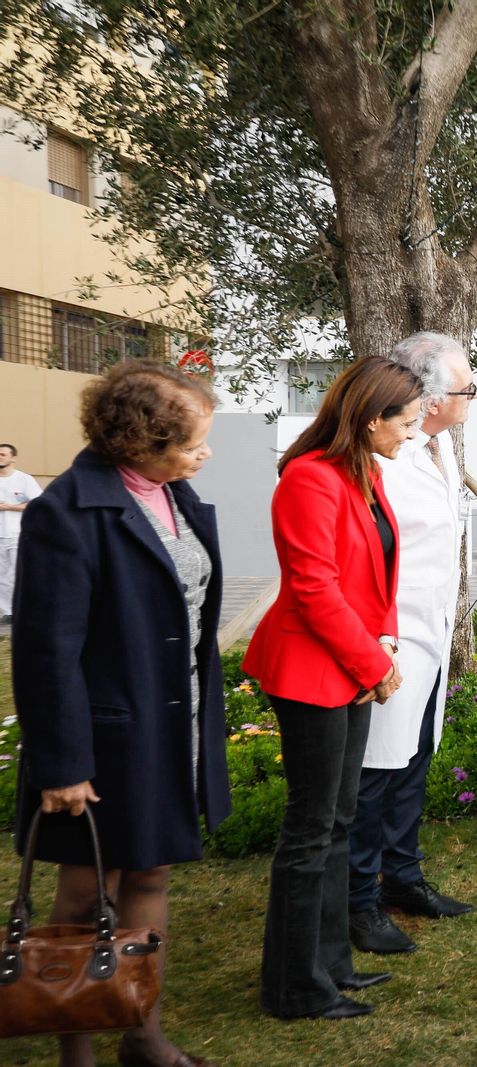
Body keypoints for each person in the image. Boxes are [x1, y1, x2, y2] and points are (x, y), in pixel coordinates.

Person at [11, 362, 230, 1067]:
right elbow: (47, 651)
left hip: (171, 724)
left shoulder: (179, 494)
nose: (205, 453)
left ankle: (143, 1033)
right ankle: (75, 1049)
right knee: (84, 894)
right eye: (193, 441)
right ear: (138, 442)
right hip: (102, 739)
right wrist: (63, 764)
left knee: (151, 878)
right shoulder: (67, 511)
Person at [243, 355, 423, 1020]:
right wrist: (374, 666)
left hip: (350, 665)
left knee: (339, 822)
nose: (411, 433)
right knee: (310, 829)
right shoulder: (308, 479)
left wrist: (384, 639)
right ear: (373, 418)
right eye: (404, 422)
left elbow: (374, 572)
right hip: (312, 671)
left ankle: (331, 964)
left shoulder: (364, 470)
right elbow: (315, 589)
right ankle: (294, 986)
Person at [346, 334, 477, 957]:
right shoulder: (380, 461)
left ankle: (403, 878)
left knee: (414, 762)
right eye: (465, 388)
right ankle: (358, 902)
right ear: (427, 397)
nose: (473, 396)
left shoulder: (437, 446)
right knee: (376, 770)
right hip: (389, 637)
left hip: (430, 634)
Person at [0, 443, 40, 623]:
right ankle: (8, 611)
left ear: (12, 458)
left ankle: (26, 609)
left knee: (19, 571)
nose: (0, 457)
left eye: (2, 454)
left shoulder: (24, 479)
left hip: (18, 533)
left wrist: (11, 507)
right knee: (2, 575)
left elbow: (37, 503)